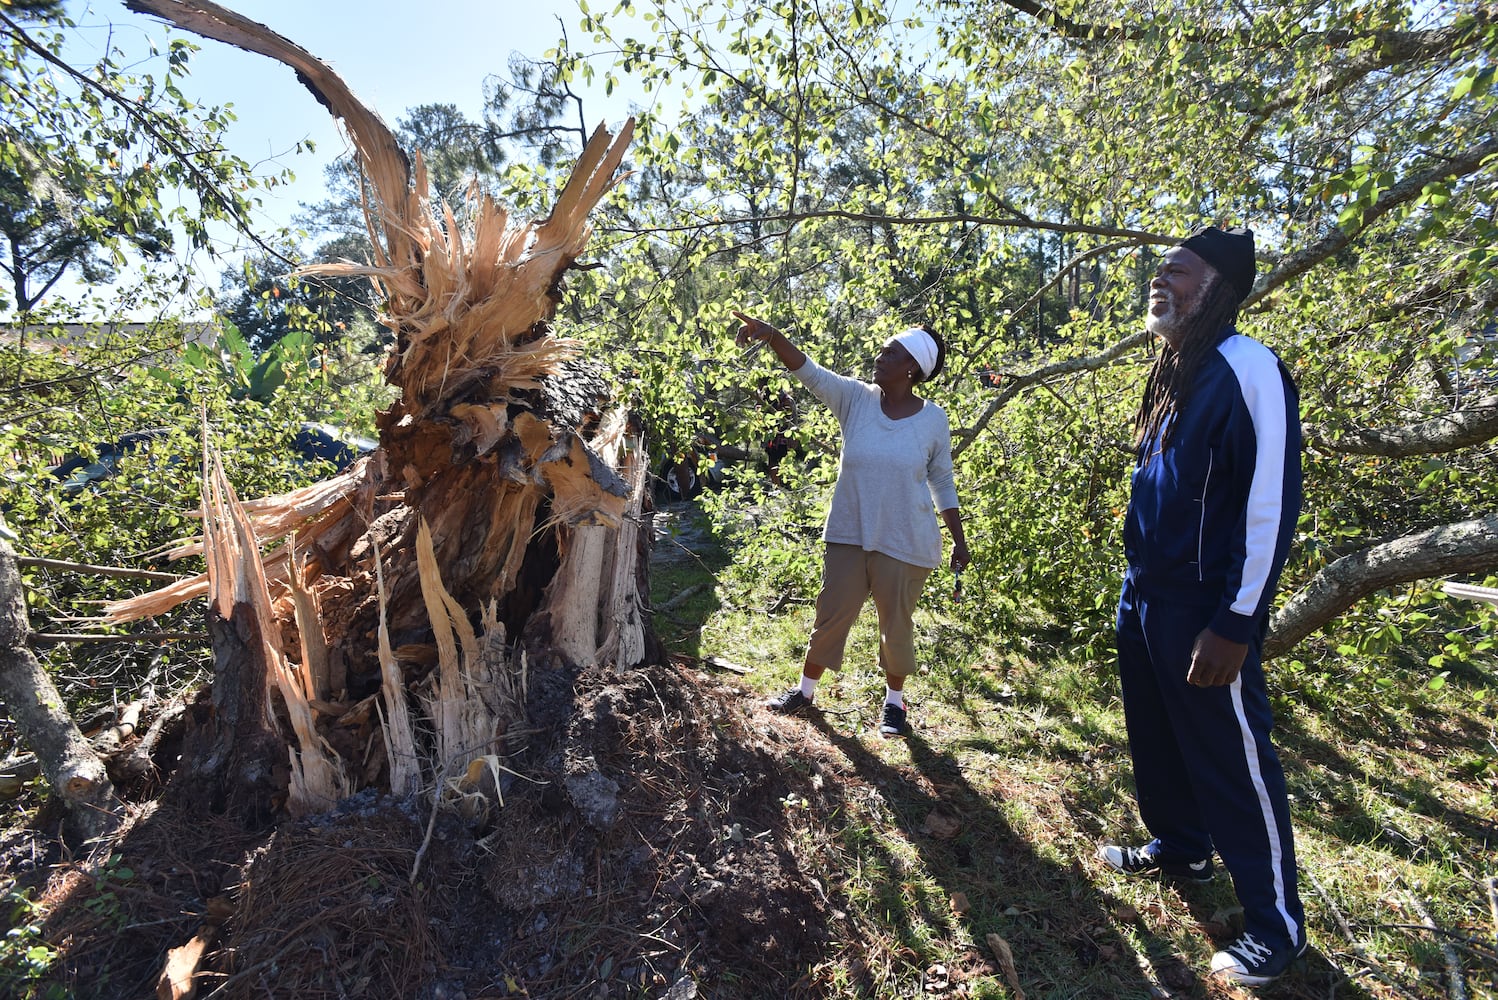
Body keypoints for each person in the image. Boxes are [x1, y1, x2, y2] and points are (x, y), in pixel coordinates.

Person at [1096, 225, 1307, 985]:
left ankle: (1277, 927)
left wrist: (1236, 622)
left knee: (1232, 757)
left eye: (1178, 271)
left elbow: (1269, 502)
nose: (1162, 279)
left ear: (1218, 285)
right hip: (1145, 591)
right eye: (1159, 269)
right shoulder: (1174, 367)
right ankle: (1180, 847)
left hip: (1204, 608)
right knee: (1155, 734)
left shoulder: (1247, 368)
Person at [731, 310, 970, 738]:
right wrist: (772, 336)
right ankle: (804, 693)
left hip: (905, 538)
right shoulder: (856, 400)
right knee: (831, 613)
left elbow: (941, 480)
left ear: (912, 368)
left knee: (895, 623)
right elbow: (810, 372)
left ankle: (894, 705)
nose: (879, 356)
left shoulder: (933, 420)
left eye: (890, 352)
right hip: (849, 531)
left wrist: (958, 539)